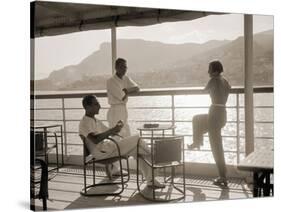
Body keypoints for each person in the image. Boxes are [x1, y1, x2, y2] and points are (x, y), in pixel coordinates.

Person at [79, 95, 165, 188]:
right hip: (102, 153)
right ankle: (155, 158)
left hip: (109, 148)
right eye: (96, 104)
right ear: (88, 107)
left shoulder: (95, 120)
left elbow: (110, 133)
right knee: (138, 139)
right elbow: (95, 139)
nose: (99, 106)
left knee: (137, 149)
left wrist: (117, 127)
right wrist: (112, 131)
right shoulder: (84, 123)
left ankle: (151, 179)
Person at [188, 60, 231, 186]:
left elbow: (204, 90)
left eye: (210, 69)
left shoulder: (214, 80)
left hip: (214, 114)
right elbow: (229, 89)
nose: (208, 72)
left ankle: (223, 176)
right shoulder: (225, 81)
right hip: (222, 113)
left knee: (216, 146)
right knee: (197, 119)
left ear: (216, 71)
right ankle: (197, 141)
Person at [106, 58, 140, 137]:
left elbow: (137, 88)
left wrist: (127, 90)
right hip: (115, 111)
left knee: (126, 135)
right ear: (116, 68)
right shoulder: (111, 81)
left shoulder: (126, 78)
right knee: (116, 137)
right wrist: (129, 91)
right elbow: (122, 96)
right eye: (122, 67)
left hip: (123, 110)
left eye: (125, 67)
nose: (124, 69)